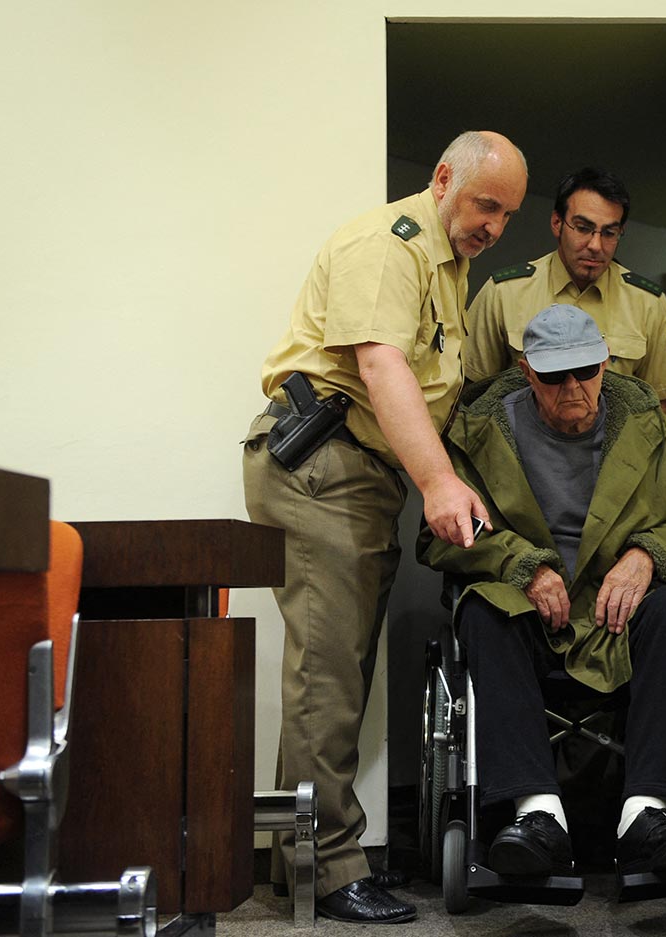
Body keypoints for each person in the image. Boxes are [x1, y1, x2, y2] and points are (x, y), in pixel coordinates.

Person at [242, 130, 528, 924]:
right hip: (321, 464)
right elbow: (381, 366)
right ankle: (325, 874)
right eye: (484, 204)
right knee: (328, 674)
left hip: (358, 477)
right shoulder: (390, 245)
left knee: (339, 673)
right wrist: (437, 480)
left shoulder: (448, 270)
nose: (495, 225)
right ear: (442, 180)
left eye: (506, 213)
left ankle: (298, 866)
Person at [419, 304, 666, 877]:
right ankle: (538, 816)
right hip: (530, 614)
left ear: (605, 363)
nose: (572, 388)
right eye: (553, 376)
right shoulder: (478, 435)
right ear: (525, 370)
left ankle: (647, 813)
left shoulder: (660, 435)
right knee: (485, 612)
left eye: (584, 371)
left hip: (618, 614)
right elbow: (440, 535)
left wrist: (646, 556)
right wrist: (522, 565)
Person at [464, 167, 666, 414]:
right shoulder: (504, 293)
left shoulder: (648, 303)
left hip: (620, 450)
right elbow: (473, 396)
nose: (595, 245)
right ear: (557, 223)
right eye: (583, 228)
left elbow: (663, 407)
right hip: (520, 449)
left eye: (609, 233)